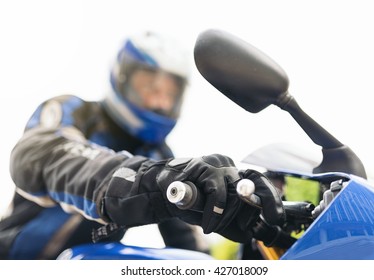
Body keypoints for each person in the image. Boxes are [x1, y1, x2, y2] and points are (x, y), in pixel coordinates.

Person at [0, 31, 285, 260]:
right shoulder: (75, 111)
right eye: (150, 87)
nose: (160, 102)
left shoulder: (161, 155)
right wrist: (152, 179)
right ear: (122, 78)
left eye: (169, 94)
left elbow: (188, 245)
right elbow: (41, 155)